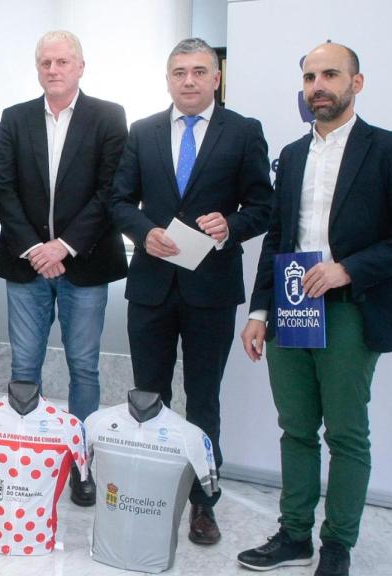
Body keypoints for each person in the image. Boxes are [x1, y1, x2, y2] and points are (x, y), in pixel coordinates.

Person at [237, 43, 392, 576]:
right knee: (296, 427)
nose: (317, 85)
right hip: (292, 306)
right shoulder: (294, 155)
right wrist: (260, 311)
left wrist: (348, 267)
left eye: (329, 75)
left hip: (352, 306)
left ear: (357, 83)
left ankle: (338, 544)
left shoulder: (391, 149)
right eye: (308, 77)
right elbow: (278, 237)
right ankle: (294, 535)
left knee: (345, 433)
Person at [109, 37, 272, 544]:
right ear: (167, 78)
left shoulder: (243, 132)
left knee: (204, 401)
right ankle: (151, 493)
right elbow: (118, 200)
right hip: (152, 287)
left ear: (216, 77)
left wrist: (231, 225)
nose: (189, 80)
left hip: (211, 289)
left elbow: (265, 207)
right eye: (179, 72)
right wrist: (142, 230)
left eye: (200, 71)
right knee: (148, 397)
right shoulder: (143, 131)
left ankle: (205, 503)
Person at [0, 30, 128, 506]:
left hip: (85, 263)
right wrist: (36, 248)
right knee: (24, 365)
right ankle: (27, 457)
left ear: (81, 66)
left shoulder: (108, 117)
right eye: (45, 62)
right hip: (27, 265)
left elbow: (111, 191)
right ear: (37, 68)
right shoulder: (15, 118)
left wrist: (63, 247)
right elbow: (2, 188)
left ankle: (81, 463)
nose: (53, 69)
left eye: (62, 61)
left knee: (83, 368)